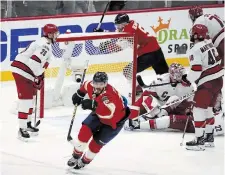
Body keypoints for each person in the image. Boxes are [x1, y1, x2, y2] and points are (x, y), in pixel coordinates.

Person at [95, 13, 169, 97]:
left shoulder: (128, 33)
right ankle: (170, 88)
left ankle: (137, 89)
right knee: (164, 75)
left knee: (128, 71)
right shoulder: (131, 24)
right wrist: (103, 32)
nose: (117, 27)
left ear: (124, 24)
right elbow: (118, 33)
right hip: (157, 50)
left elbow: (118, 47)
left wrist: (105, 47)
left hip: (148, 55)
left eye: (118, 25)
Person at [67, 72, 130, 170]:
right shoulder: (90, 85)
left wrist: (93, 105)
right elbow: (84, 87)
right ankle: (75, 156)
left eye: (101, 84)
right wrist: (79, 94)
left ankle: (85, 161)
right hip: (98, 115)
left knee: (95, 145)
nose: (98, 86)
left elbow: (109, 113)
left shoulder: (110, 94)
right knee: (84, 131)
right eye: (96, 83)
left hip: (114, 122)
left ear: (106, 83)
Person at [11, 24, 59, 141]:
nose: (57, 35)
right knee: (26, 100)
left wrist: (38, 75)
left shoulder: (44, 43)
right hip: (22, 71)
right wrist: (38, 76)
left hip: (28, 72)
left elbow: (37, 65)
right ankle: (21, 129)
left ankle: (27, 124)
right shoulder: (45, 46)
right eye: (55, 33)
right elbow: (33, 62)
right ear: (50, 34)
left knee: (31, 98)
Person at [184, 24, 223, 151]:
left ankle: (199, 141)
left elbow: (196, 70)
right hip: (218, 80)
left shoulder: (195, 49)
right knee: (208, 109)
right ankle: (209, 138)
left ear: (196, 35)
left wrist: (187, 79)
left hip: (208, 83)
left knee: (198, 110)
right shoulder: (209, 43)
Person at [124, 63, 194, 130]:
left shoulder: (188, 85)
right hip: (159, 107)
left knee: (174, 98)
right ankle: (154, 118)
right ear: (173, 75)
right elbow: (144, 97)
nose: (182, 76)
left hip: (175, 108)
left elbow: (190, 102)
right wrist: (131, 114)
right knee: (149, 99)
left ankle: (155, 119)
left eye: (182, 73)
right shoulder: (160, 81)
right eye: (179, 74)